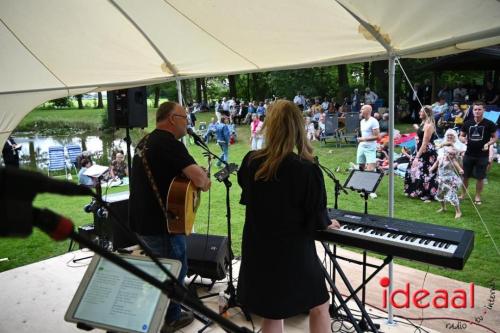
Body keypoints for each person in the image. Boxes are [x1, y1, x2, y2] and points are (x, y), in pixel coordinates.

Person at [236, 99, 340, 333]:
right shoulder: (306, 169)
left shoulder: (251, 161)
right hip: (292, 251)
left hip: (259, 248)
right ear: (298, 127)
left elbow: (250, 192)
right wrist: (326, 222)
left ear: (270, 127)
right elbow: (315, 215)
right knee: (320, 305)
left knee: (272, 313)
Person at [129, 102, 211, 333]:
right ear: (172, 119)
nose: (188, 122)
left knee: (157, 270)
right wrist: (204, 180)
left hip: (141, 222)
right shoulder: (169, 143)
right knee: (175, 271)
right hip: (162, 224)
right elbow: (200, 180)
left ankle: (146, 316)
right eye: (185, 117)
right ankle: (171, 318)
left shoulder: (145, 142)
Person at [459, 101, 497, 205]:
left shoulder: (489, 123)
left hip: (482, 156)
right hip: (468, 154)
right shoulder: (467, 123)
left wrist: (488, 143)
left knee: (480, 177)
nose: (477, 111)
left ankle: (477, 196)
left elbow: (495, 137)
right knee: (465, 176)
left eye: (479, 109)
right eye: (475, 109)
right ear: (472, 110)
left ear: (484, 110)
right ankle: (463, 194)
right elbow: (461, 135)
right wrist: (463, 140)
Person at [404, 106, 438, 201]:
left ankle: (427, 194)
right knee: (415, 171)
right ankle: (415, 191)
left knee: (426, 173)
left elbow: (425, 143)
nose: (419, 113)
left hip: (426, 152)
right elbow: (421, 135)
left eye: (421, 111)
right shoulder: (424, 123)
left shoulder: (429, 125)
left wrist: (417, 157)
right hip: (420, 149)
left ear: (426, 113)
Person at [430, 147, 463, 219]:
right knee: (440, 194)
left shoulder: (453, 161)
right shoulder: (440, 158)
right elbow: (436, 163)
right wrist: (431, 169)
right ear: (445, 153)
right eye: (450, 154)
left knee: (452, 196)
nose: (452, 156)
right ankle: (443, 207)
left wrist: (460, 171)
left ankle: (458, 211)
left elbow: (459, 168)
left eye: (454, 154)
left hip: (451, 181)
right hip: (442, 180)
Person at [356, 105, 380, 171]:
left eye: (362, 109)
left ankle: (371, 179)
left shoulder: (373, 121)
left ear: (368, 111)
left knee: (370, 169)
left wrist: (363, 139)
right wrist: (361, 139)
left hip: (370, 147)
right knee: (361, 167)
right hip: (361, 146)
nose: (360, 111)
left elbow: (377, 137)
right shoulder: (362, 121)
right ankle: (362, 180)